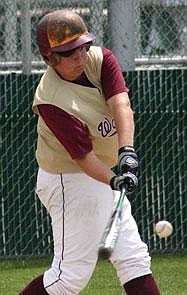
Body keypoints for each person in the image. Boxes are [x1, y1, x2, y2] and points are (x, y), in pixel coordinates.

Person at [19, 9, 160, 295]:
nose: (81, 57)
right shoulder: (51, 99)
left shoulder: (101, 58)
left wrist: (127, 153)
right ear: (50, 59)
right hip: (69, 180)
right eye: (70, 54)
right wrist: (114, 180)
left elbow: (121, 105)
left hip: (99, 173)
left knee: (134, 259)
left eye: (83, 47)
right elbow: (83, 158)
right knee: (68, 277)